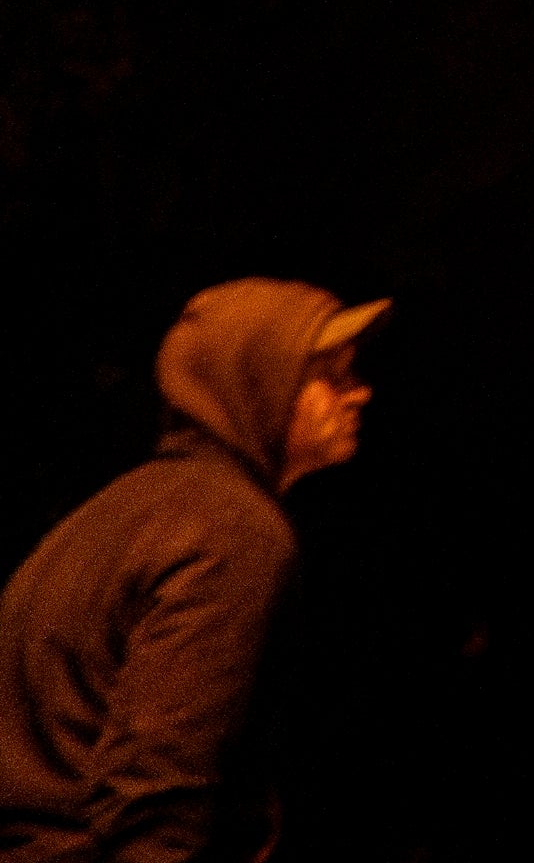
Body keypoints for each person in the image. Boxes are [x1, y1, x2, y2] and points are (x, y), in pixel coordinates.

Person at [1, 281, 382, 863]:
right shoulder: (234, 531)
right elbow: (159, 793)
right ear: (256, 380)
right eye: (330, 375)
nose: (359, 393)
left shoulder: (118, 511)